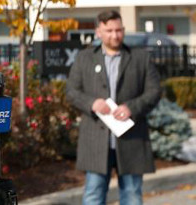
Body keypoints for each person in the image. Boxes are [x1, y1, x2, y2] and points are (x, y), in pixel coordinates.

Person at [66, 10, 161, 205]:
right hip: (95, 141)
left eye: (119, 30)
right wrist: (91, 103)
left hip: (131, 139)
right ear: (98, 32)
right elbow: (72, 92)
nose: (115, 35)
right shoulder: (84, 58)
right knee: (93, 195)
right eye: (109, 30)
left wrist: (132, 107)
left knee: (132, 196)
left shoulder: (140, 58)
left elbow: (154, 91)